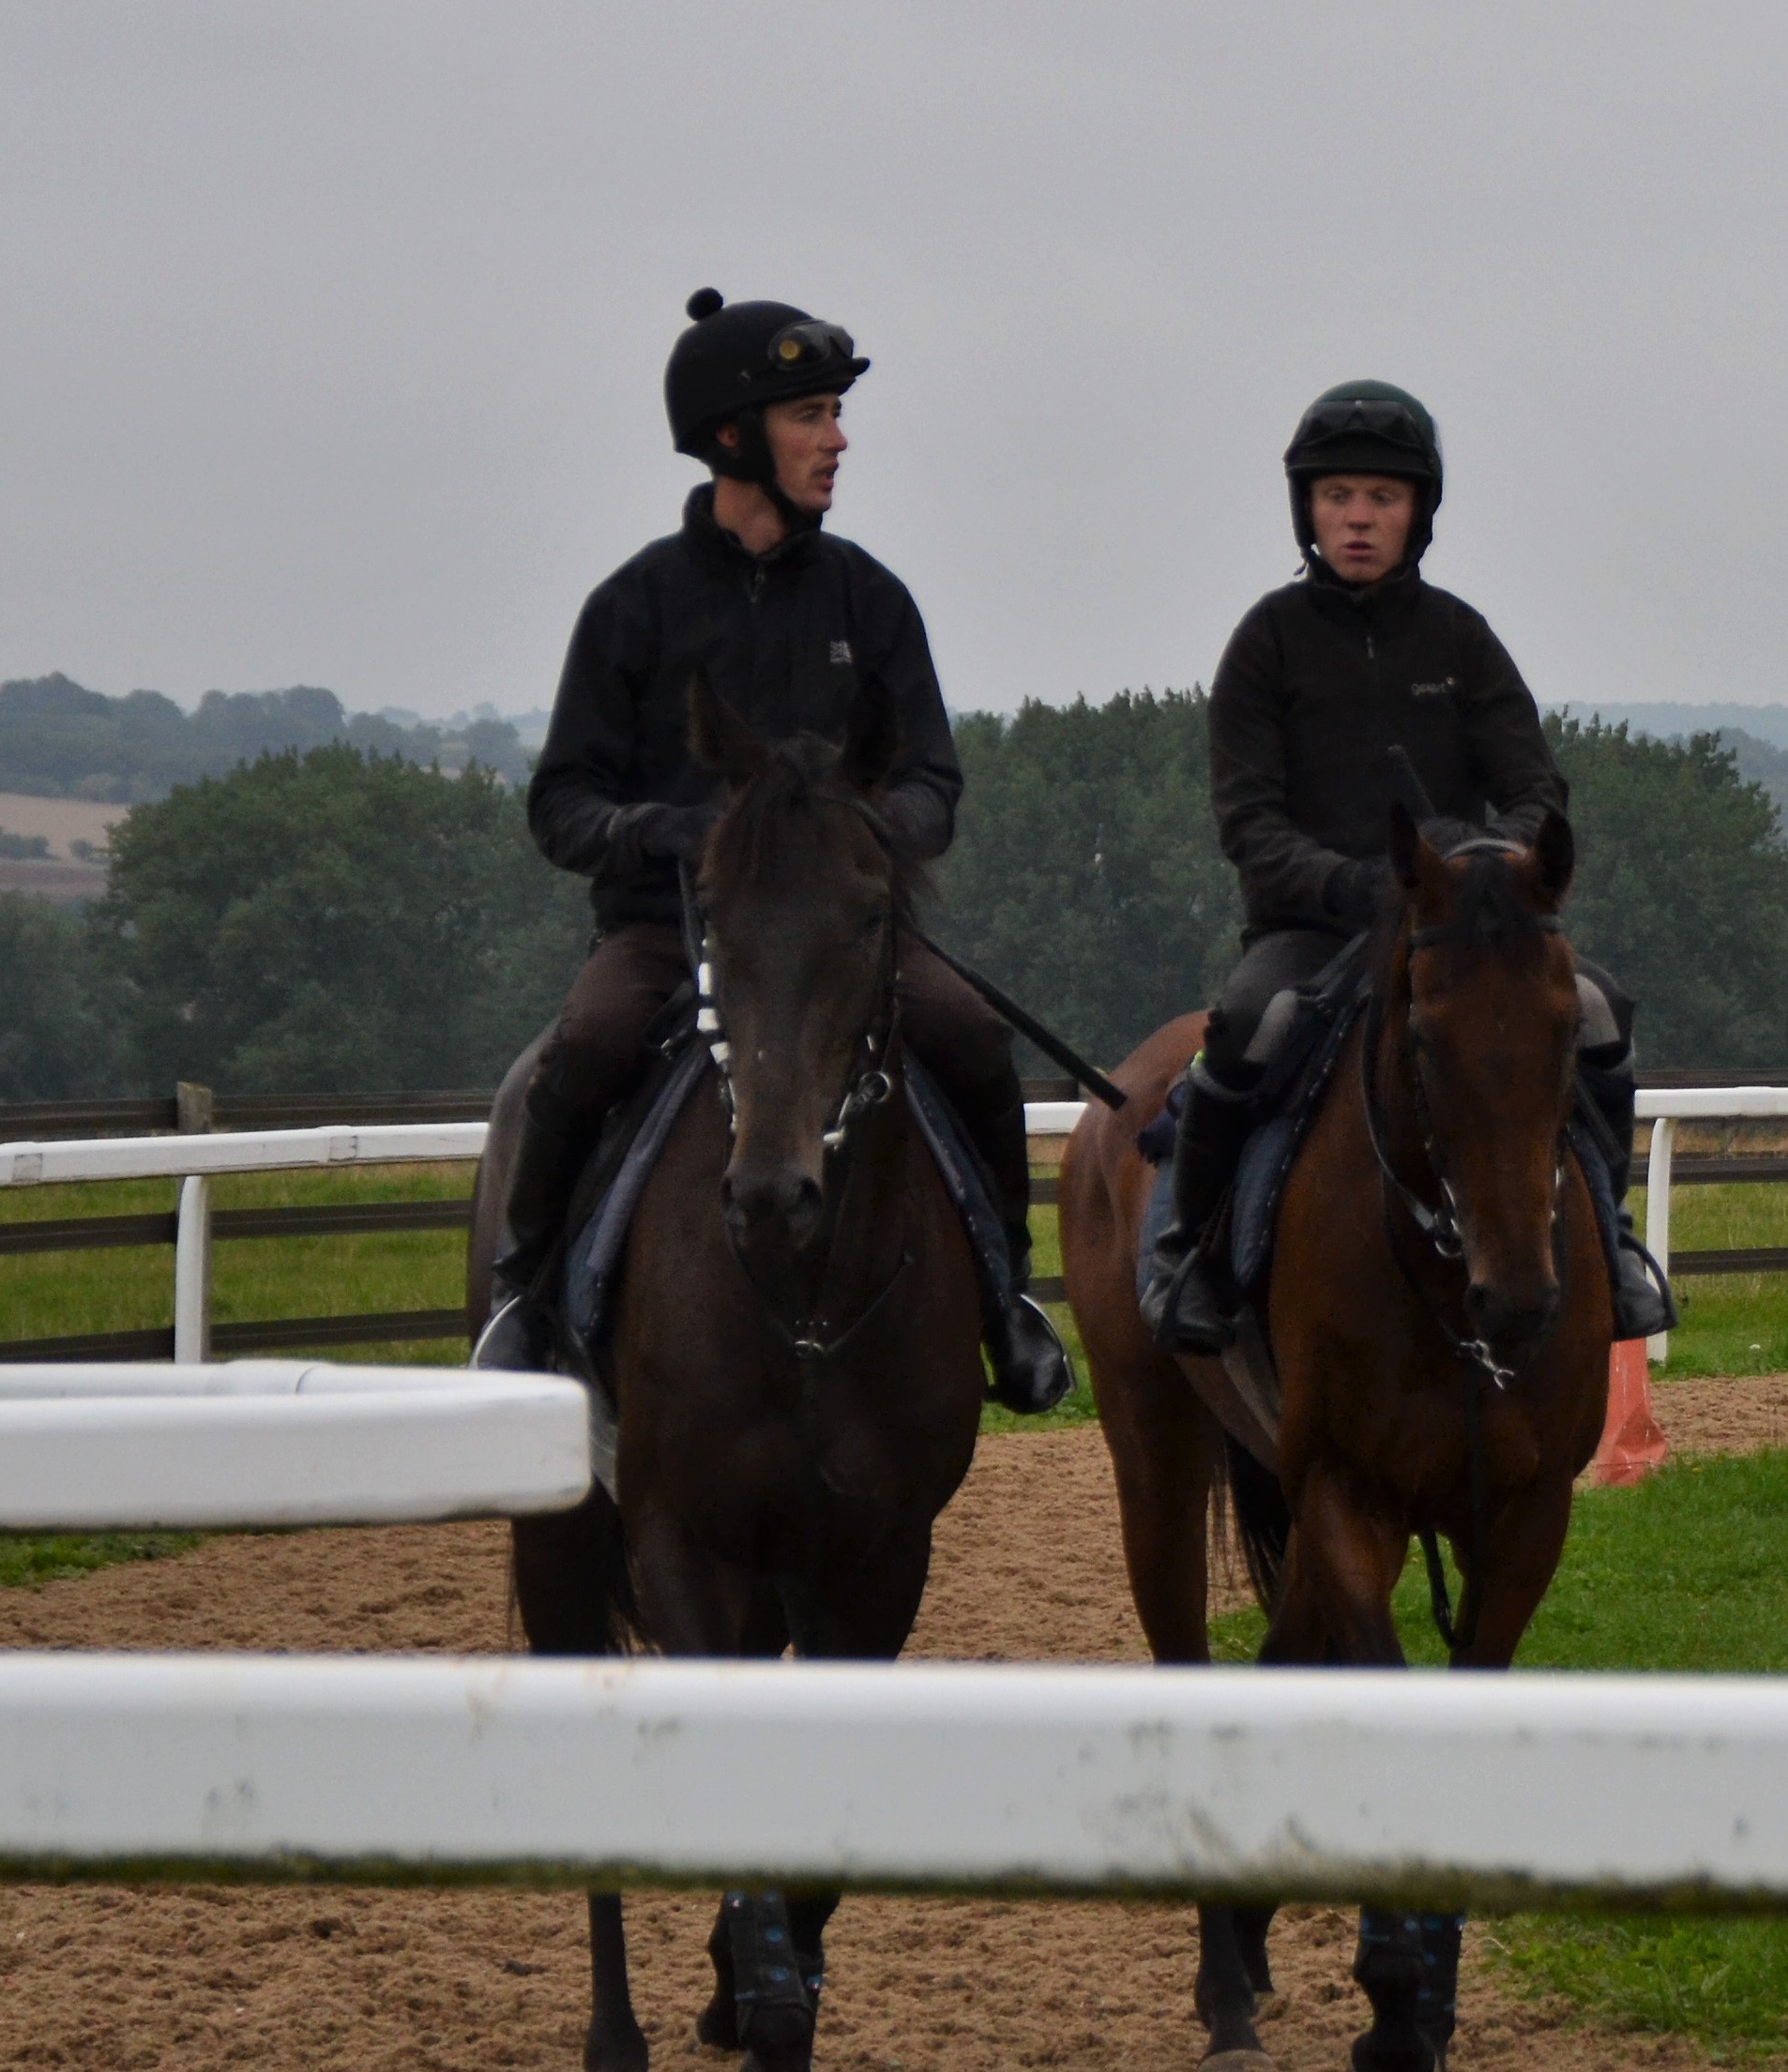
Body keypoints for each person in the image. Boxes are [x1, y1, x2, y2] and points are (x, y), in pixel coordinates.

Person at [476, 287, 1071, 1410]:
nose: (838, 440)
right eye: (811, 415)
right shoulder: (635, 605)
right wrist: (675, 833)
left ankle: (1007, 1299)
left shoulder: (872, 599)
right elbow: (562, 804)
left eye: (835, 416)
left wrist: (866, 838)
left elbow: (935, 779)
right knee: (589, 1041)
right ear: (735, 434)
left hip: (844, 936)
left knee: (972, 1035)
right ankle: (526, 1303)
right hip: (669, 931)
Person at [1135, 379, 1674, 1355]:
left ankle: (1613, 1238)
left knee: (1596, 1012)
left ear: (1418, 510)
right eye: (1337, 495)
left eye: (1381, 498)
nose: (1357, 517)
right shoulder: (1266, 644)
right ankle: (1192, 1253)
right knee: (1253, 1023)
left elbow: (1535, 788)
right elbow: (1250, 824)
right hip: (1313, 930)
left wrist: (1484, 865)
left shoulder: (1462, 639)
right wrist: (1354, 884)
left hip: (1459, 927)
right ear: (1307, 506)